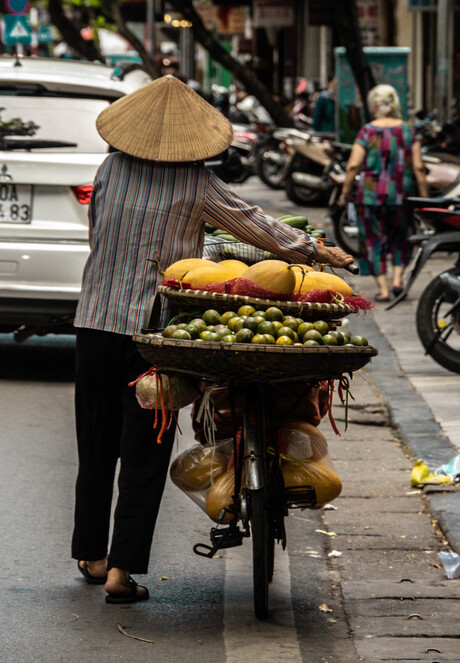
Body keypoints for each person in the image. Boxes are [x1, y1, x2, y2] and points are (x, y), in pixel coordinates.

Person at [72, 74, 354, 605]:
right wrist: (314, 250)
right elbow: (254, 225)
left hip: (94, 321)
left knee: (95, 444)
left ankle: (91, 554)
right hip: (153, 335)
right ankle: (122, 571)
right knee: (144, 451)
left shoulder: (109, 167)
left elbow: (98, 233)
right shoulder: (195, 183)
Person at [338, 84, 428, 302]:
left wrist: (344, 192)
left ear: (375, 105)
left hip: (370, 196)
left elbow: (353, 166)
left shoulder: (368, 131)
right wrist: (425, 198)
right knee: (402, 237)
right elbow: (417, 167)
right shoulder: (408, 130)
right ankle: (398, 280)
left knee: (372, 240)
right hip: (401, 195)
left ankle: (384, 289)